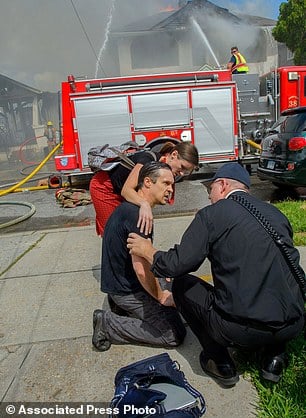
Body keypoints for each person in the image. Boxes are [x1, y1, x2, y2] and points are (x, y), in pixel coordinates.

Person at [127, 163, 305, 386]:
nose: (210, 197)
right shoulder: (274, 213)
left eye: (210, 190)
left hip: (241, 331)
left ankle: (219, 361)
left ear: (222, 185)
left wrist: (147, 250)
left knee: (182, 285)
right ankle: (274, 358)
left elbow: (177, 265)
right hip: (293, 323)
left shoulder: (212, 214)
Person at [92, 161, 186, 351]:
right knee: (173, 333)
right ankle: (107, 324)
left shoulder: (131, 208)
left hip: (120, 284)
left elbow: (143, 255)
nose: (171, 189)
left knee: (177, 280)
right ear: (148, 182)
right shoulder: (139, 217)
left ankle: (121, 308)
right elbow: (141, 269)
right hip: (127, 291)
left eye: (173, 185)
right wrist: (161, 296)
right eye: (166, 183)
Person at [89, 141, 199, 237]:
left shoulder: (161, 166)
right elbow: (127, 190)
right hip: (104, 188)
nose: (181, 173)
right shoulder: (148, 160)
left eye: (186, 172)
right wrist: (144, 204)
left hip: (118, 189)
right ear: (174, 155)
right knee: (113, 233)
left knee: (129, 231)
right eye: (182, 167)